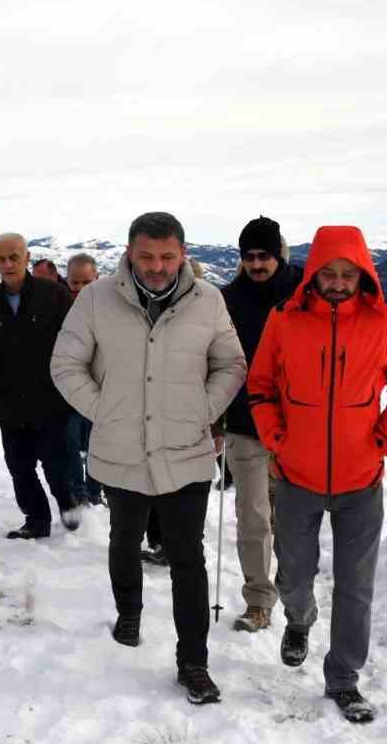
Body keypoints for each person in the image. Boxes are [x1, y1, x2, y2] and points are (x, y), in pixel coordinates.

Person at [51, 212, 246, 705]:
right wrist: (106, 411)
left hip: (186, 451)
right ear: (130, 254)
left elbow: (230, 363)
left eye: (167, 256)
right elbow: (65, 364)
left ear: (182, 253)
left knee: (188, 558)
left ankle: (194, 663)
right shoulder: (97, 299)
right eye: (146, 256)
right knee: (125, 537)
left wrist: (203, 409)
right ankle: (129, 611)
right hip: (121, 450)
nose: (157, 267)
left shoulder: (208, 301)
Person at [246, 225, 387, 723]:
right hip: (296, 477)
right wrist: (277, 438)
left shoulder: (385, 322)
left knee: (355, 586)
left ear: (363, 276)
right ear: (313, 274)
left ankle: (343, 677)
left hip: (361, 481)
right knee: (294, 575)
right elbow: (260, 386)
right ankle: (299, 621)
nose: (339, 282)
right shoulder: (284, 319)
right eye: (330, 273)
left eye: (349, 274)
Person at [219, 216, 305, 633]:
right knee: (252, 517)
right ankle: (258, 601)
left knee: (290, 516)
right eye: (249, 256)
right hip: (244, 422)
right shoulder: (227, 299)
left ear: (278, 254)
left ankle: (293, 587)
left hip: (297, 425)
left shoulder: (306, 292)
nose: (256, 264)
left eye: (264, 256)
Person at [0, 233, 78, 539]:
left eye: (14, 257)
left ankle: (67, 502)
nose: (8, 264)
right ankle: (36, 520)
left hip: (51, 401)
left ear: (27, 257)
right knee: (20, 468)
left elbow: (79, 340)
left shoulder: (54, 295)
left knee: (56, 465)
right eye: (1, 259)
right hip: (10, 403)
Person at [62, 254, 104, 509]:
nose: (78, 289)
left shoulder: (111, 308)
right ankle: (79, 491)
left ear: (96, 278)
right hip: (69, 390)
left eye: (85, 282)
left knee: (97, 444)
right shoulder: (59, 305)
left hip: (101, 389)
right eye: (74, 283)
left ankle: (95, 491)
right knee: (70, 443)